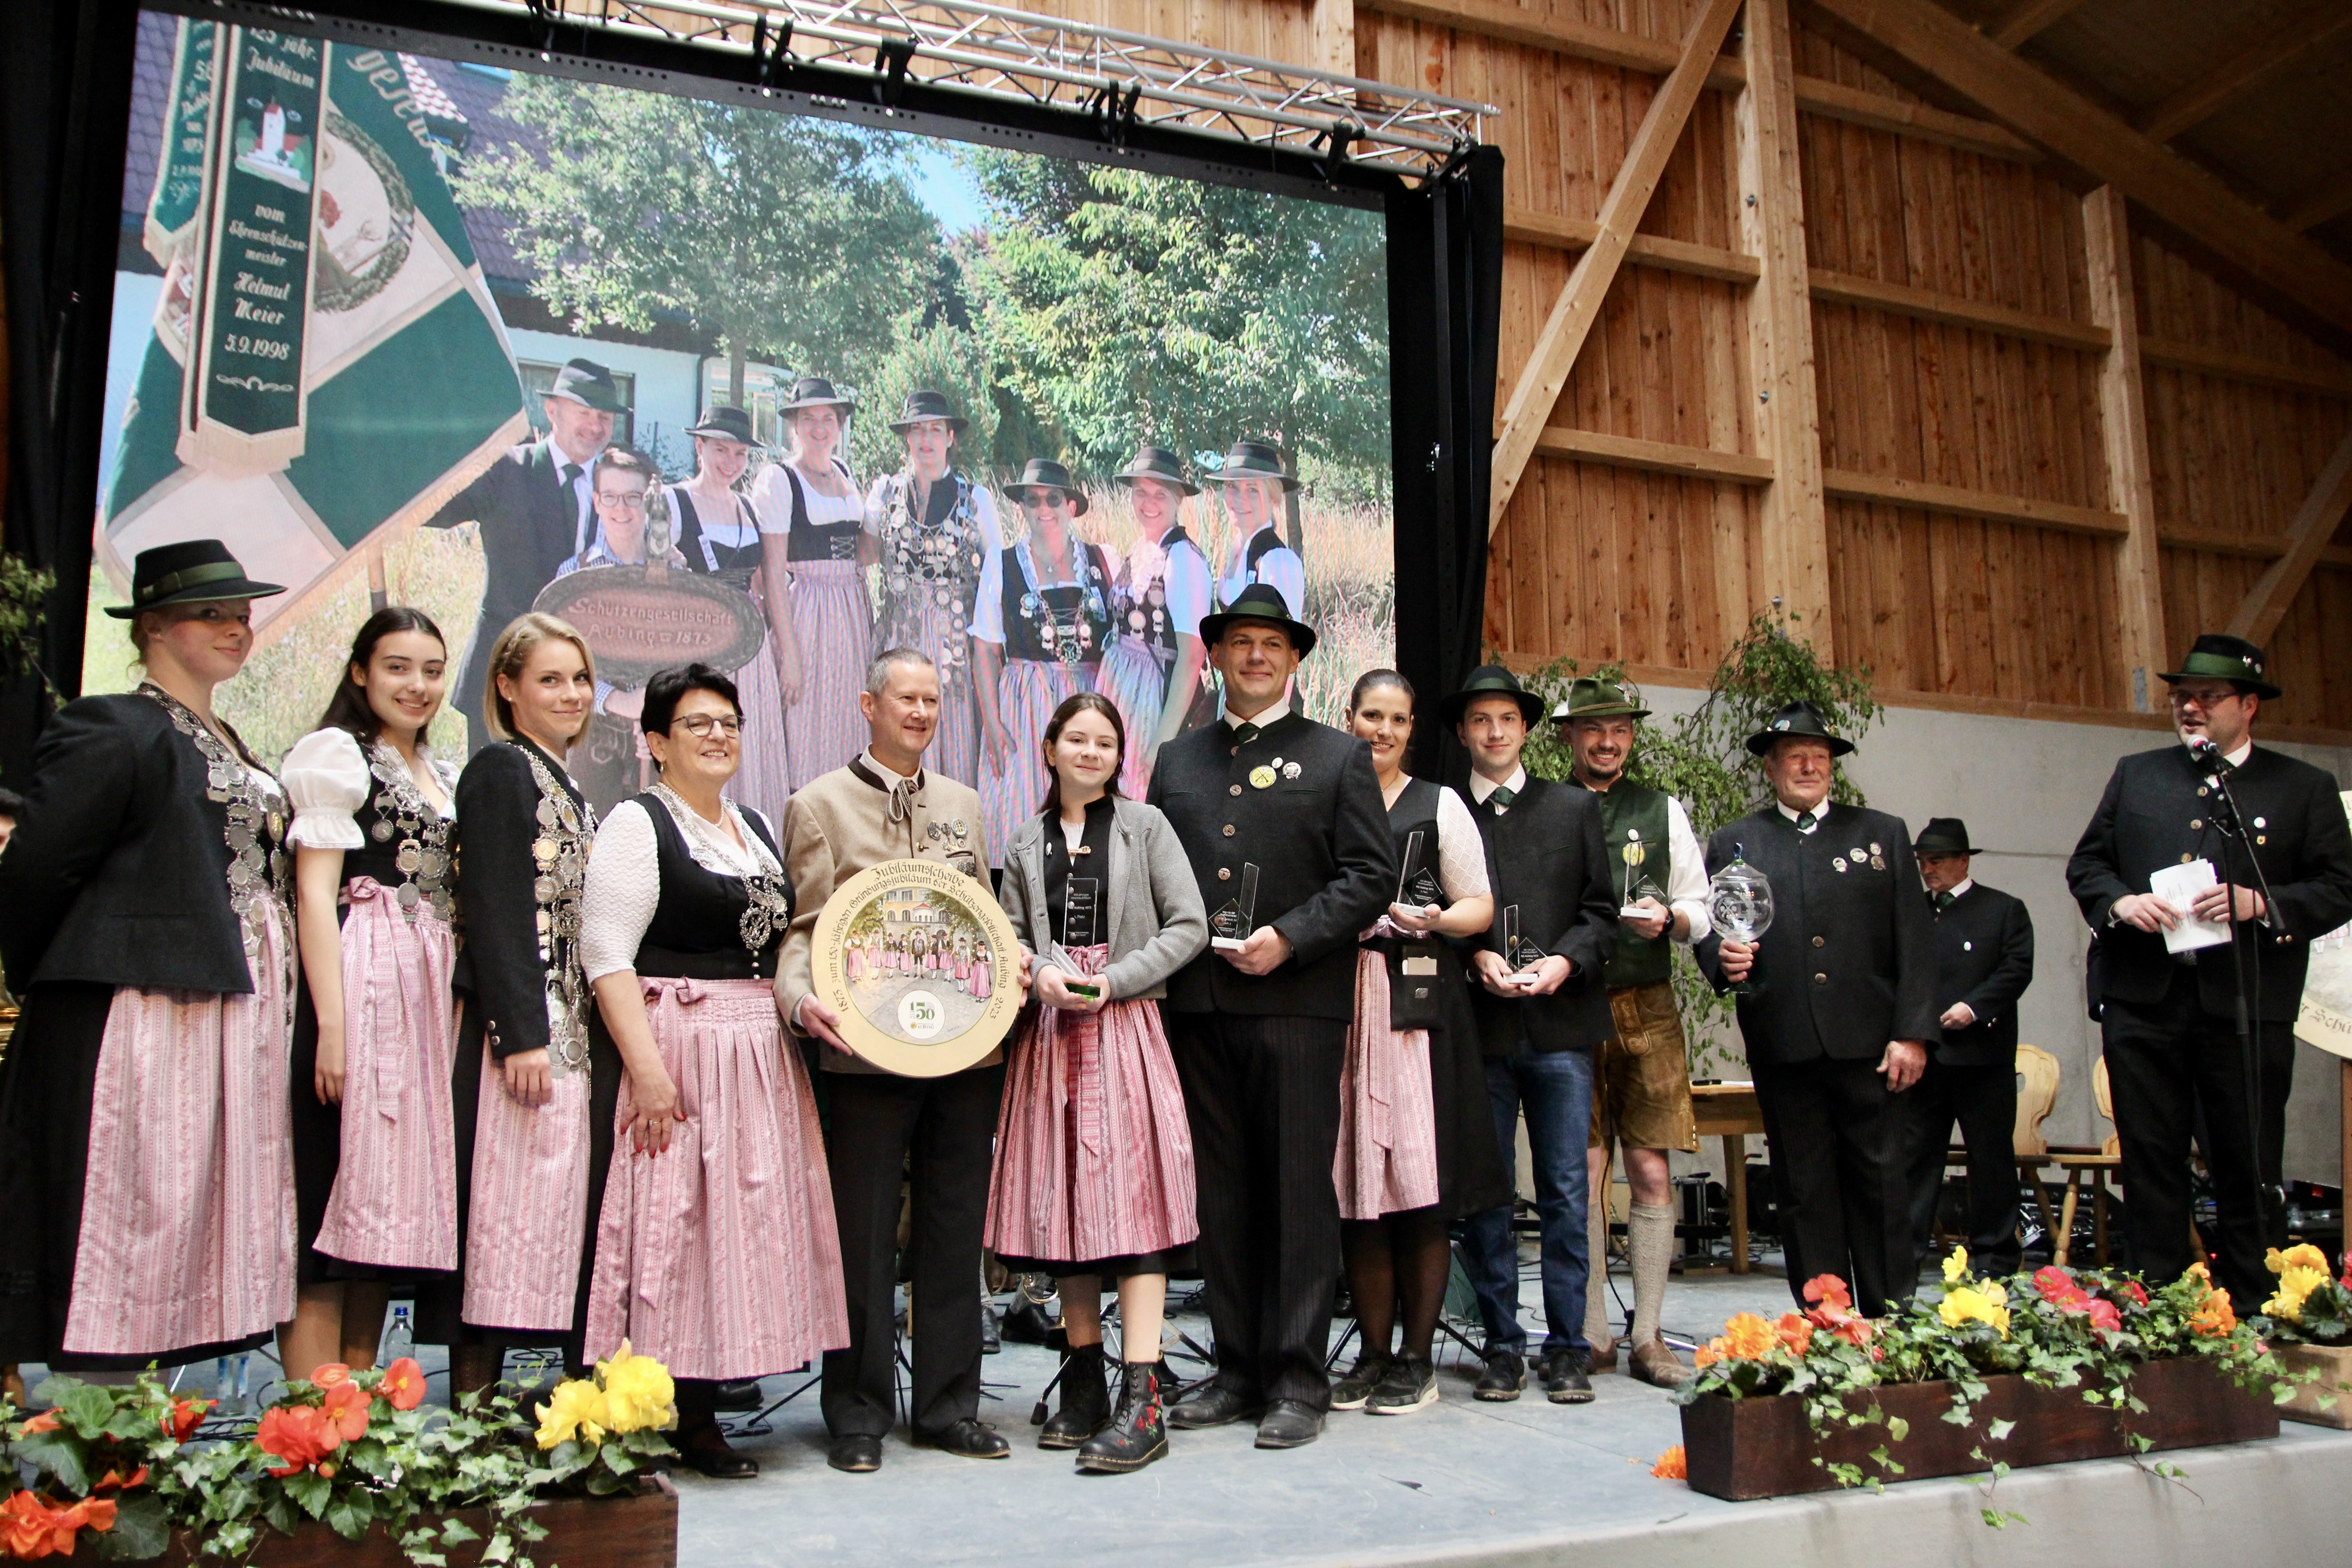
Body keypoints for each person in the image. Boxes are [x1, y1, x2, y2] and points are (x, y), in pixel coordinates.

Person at [0, 539, 297, 1370]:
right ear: (156, 626)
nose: (237, 628)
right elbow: (37, 866)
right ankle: (100, 1435)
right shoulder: (117, 725)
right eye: (214, 613)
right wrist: (63, 974)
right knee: (135, 1199)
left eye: (241, 614)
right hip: (144, 1002)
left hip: (220, 1006)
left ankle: (154, 1426)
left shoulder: (227, 736)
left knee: (183, 1209)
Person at [580, 664, 847, 1478]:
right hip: (679, 1043)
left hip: (757, 1050)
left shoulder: (753, 825)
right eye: (696, 723)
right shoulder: (636, 822)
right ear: (655, 742)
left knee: (733, 1229)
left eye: (728, 721)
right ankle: (660, 1414)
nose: (718, 735)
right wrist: (650, 1072)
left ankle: (703, 1411)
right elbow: (605, 954)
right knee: (672, 1227)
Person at [1146, 583, 1393, 1450]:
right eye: (1239, 642)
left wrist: (1288, 939)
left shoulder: (1337, 756)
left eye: (1271, 644)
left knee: (1293, 1187)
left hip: (1293, 999)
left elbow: (1369, 878)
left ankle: (1296, 1378)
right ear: (1213, 655)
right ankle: (1237, 1367)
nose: (1254, 656)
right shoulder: (1176, 760)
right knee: (1222, 1193)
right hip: (1200, 1002)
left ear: (1293, 660)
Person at [2066, 633, 2352, 1310]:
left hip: (2246, 1006)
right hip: (2146, 1000)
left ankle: (2256, 1307)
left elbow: (2340, 887)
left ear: (2249, 706)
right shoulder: (2138, 774)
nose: (2190, 708)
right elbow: (2088, 866)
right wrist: (2120, 902)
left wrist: (2264, 903)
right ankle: (2158, 1310)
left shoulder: (2300, 787)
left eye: (2208, 697)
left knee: (2246, 1163)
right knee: (2151, 1159)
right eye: (2182, 697)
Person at [778, 649, 1011, 1473]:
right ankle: (857, 1415)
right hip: (863, 1055)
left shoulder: (964, 804)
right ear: (867, 703)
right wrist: (796, 997)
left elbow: (982, 911)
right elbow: (804, 928)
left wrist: (1012, 968)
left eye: (932, 700)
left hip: (962, 1052)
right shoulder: (816, 804)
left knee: (952, 1229)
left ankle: (950, 1407)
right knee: (864, 1236)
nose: (919, 712)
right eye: (904, 698)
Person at [988, 693, 1207, 1472]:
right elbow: (1008, 934)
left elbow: (1190, 925)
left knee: (1133, 1206)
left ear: (1121, 756)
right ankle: (1082, 1374)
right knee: (1067, 1208)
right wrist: (1039, 971)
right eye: (1075, 739)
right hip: (1050, 1038)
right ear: (1048, 749)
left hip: (1123, 1028)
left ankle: (1141, 1392)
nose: (1090, 752)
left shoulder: (1146, 828)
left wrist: (1113, 981)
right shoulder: (1022, 841)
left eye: (1104, 742)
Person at [1701, 700, 1937, 1319]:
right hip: (1785, 1044)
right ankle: (1825, 1323)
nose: (1808, 765)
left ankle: (1891, 1321)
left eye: (1820, 756)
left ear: (1832, 765)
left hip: (1872, 1047)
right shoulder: (1736, 841)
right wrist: (1718, 962)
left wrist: (1914, 1033)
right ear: (1771, 768)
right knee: (1804, 1192)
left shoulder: (1880, 833)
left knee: (1883, 1186)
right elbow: (1711, 928)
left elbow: (1915, 938)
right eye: (1795, 756)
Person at [421, 613, 607, 1392]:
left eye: (579, 679)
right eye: (549, 680)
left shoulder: (562, 779)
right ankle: (471, 1412)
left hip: (571, 1024)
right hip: (529, 1035)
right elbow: (493, 905)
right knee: (498, 1210)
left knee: (546, 1213)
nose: (571, 695)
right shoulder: (501, 769)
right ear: (506, 687)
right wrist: (518, 1036)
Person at [279, 608, 464, 1379]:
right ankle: (311, 1433)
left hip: (423, 1002)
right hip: (360, 991)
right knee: (332, 1202)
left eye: (429, 669)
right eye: (396, 667)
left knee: (380, 1218)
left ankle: (358, 1421)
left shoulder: (442, 770)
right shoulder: (336, 757)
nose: (415, 685)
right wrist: (332, 1028)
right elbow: (315, 894)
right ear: (360, 672)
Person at [1328, 671, 1509, 1417]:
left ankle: (1415, 1360)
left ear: (1410, 729)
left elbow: (1479, 906)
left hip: (1418, 1003)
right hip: (1340, 1003)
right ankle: (1370, 1356)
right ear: (1348, 718)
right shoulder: (1325, 797)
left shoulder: (1441, 804)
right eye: (1371, 715)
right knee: (1359, 1193)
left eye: (1397, 718)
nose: (1384, 729)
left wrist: (1429, 920)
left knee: (1418, 1188)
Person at [1449, 666, 1617, 1404]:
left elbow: (1601, 913)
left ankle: (1567, 1348)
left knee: (1564, 1195)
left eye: (1505, 720)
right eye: (1479, 720)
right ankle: (1500, 1347)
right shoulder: (1443, 811)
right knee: (1484, 1196)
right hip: (1477, 1031)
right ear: (1461, 732)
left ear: (1523, 730)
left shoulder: (1572, 808)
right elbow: (1422, 911)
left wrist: (1563, 961)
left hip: (1558, 1027)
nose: (1492, 731)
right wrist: (1471, 955)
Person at [1553, 677, 1711, 1387]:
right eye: (1593, 729)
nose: (1607, 741)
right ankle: (1590, 1334)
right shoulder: (1547, 806)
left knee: (1649, 1167)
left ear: (1633, 736)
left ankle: (1648, 1336)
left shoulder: (1663, 809)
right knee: (1581, 1173)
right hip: (1572, 1003)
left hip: (1647, 1005)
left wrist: (1671, 923)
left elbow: (1700, 909)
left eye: (1618, 728)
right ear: (1569, 737)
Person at [428, 358, 623, 750]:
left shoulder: (617, 488)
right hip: (504, 676)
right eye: (583, 413)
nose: (595, 425)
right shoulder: (505, 468)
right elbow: (431, 507)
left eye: (604, 416)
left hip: (578, 691)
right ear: (552, 411)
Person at [1903, 818, 2032, 1279]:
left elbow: (2016, 970)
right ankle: (1906, 1255)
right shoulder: (1913, 911)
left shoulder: (2002, 910)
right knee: (1916, 1162)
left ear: (1962, 861)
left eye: (1936, 861)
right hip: (1927, 1058)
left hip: (1982, 1057)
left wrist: (1974, 1008)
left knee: (1991, 1161)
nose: (1928, 870)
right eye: (1922, 862)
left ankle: (1995, 1258)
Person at [974, 458, 1114, 858]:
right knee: (1021, 811)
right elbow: (984, 648)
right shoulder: (1001, 565)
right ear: (1022, 508)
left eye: (1053, 499)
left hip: (1085, 701)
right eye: (1033, 501)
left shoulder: (1102, 561)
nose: (1043, 509)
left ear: (1070, 507)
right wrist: (992, 721)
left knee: (1083, 815)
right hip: (1023, 702)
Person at [869, 391, 1004, 788]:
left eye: (934, 430)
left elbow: (995, 576)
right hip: (900, 635)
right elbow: (865, 553)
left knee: (954, 741)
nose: (925, 440)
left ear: (949, 438)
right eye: (916, 431)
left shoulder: (975, 499)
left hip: (954, 648)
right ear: (907, 439)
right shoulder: (886, 494)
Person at [668, 407, 796, 826]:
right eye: (721, 450)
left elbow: (764, 582)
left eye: (740, 454)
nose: (731, 462)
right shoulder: (673, 502)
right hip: (698, 651)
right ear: (699, 446)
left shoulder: (748, 507)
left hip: (750, 654)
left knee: (750, 753)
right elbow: (656, 590)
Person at [752, 377, 874, 792]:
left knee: (848, 719)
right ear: (795, 426)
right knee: (808, 719)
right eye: (809, 419)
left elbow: (865, 551)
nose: (819, 428)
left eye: (828, 418)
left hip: (852, 608)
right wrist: (789, 654)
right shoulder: (780, 479)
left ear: (839, 424)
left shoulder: (843, 473)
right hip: (809, 609)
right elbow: (772, 570)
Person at [1096, 445, 1211, 793]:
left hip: (1152, 697)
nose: (1149, 503)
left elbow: (1192, 657)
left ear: (1178, 499)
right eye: (1140, 493)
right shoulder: (1140, 549)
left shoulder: (1184, 560)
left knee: (1138, 799)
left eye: (1160, 494)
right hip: (1120, 690)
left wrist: (1162, 741)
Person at [1208, 440, 1305, 617]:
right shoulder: (1238, 549)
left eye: (1252, 490)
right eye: (1232, 486)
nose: (1240, 498)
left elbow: (1283, 641)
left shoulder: (1278, 561)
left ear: (1273, 499)